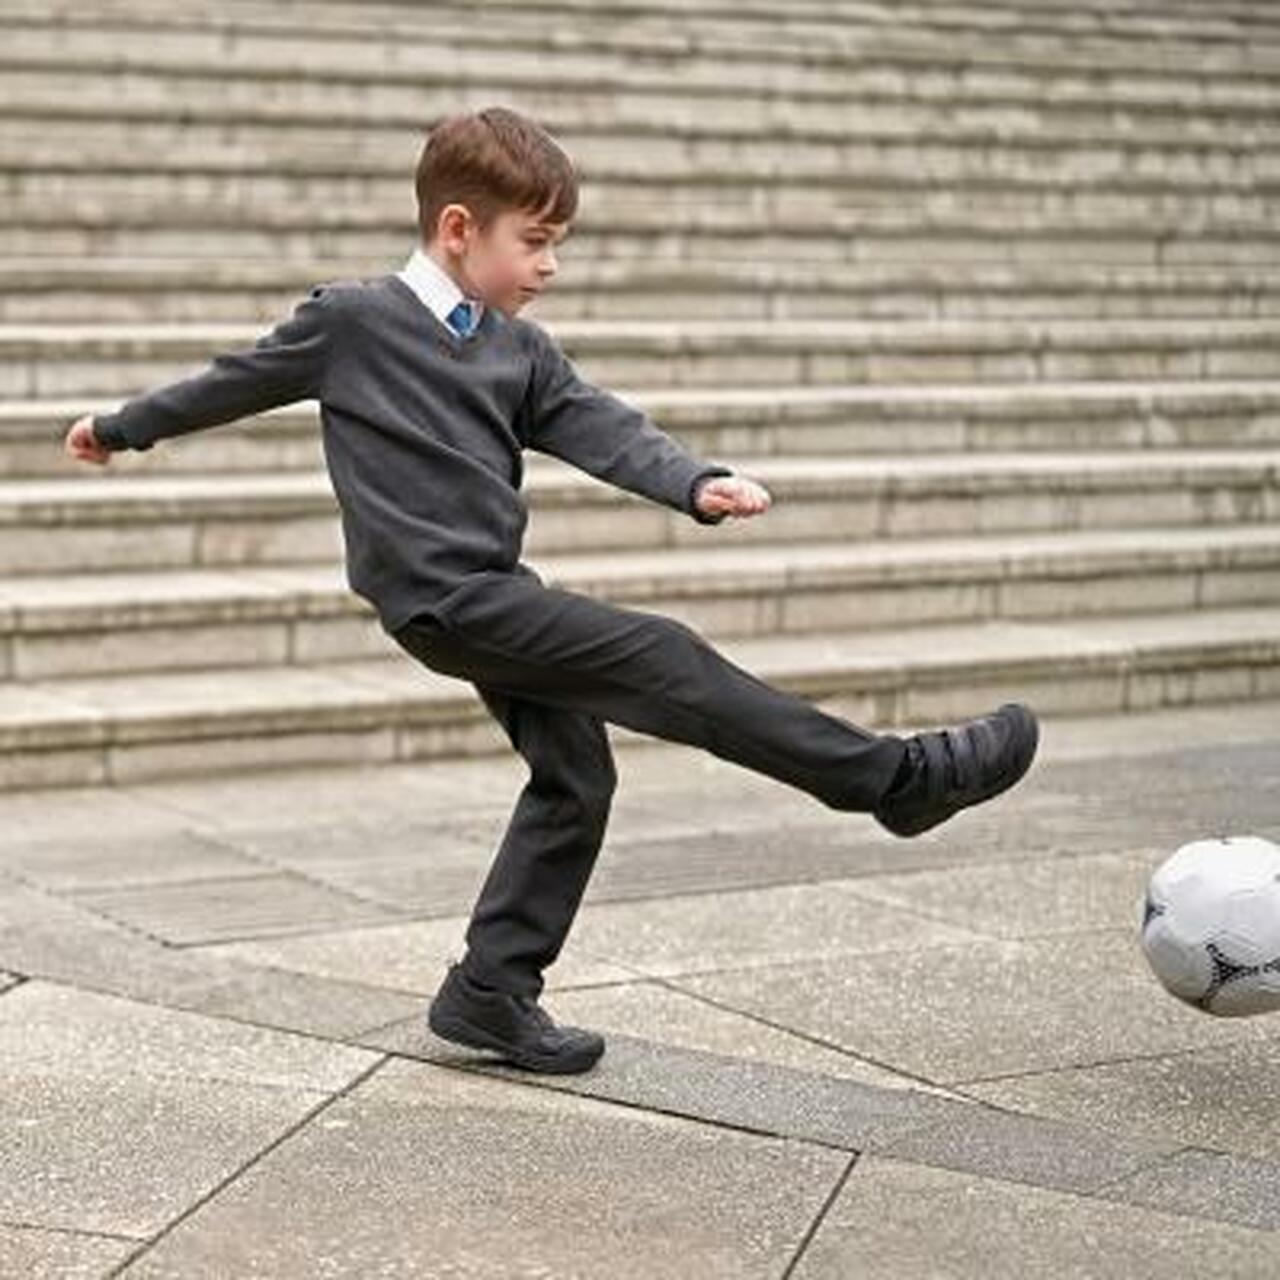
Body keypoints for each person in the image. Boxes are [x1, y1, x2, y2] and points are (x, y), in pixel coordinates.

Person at [64, 105, 1039, 1075]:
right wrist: (119, 427)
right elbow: (232, 380)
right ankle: (889, 780)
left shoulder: (516, 349)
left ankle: (489, 989)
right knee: (660, 654)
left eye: (555, 244)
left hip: (492, 589)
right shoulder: (354, 322)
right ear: (457, 228)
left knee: (574, 772)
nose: (549, 265)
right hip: (440, 596)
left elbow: (596, 422)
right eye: (532, 242)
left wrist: (691, 480)